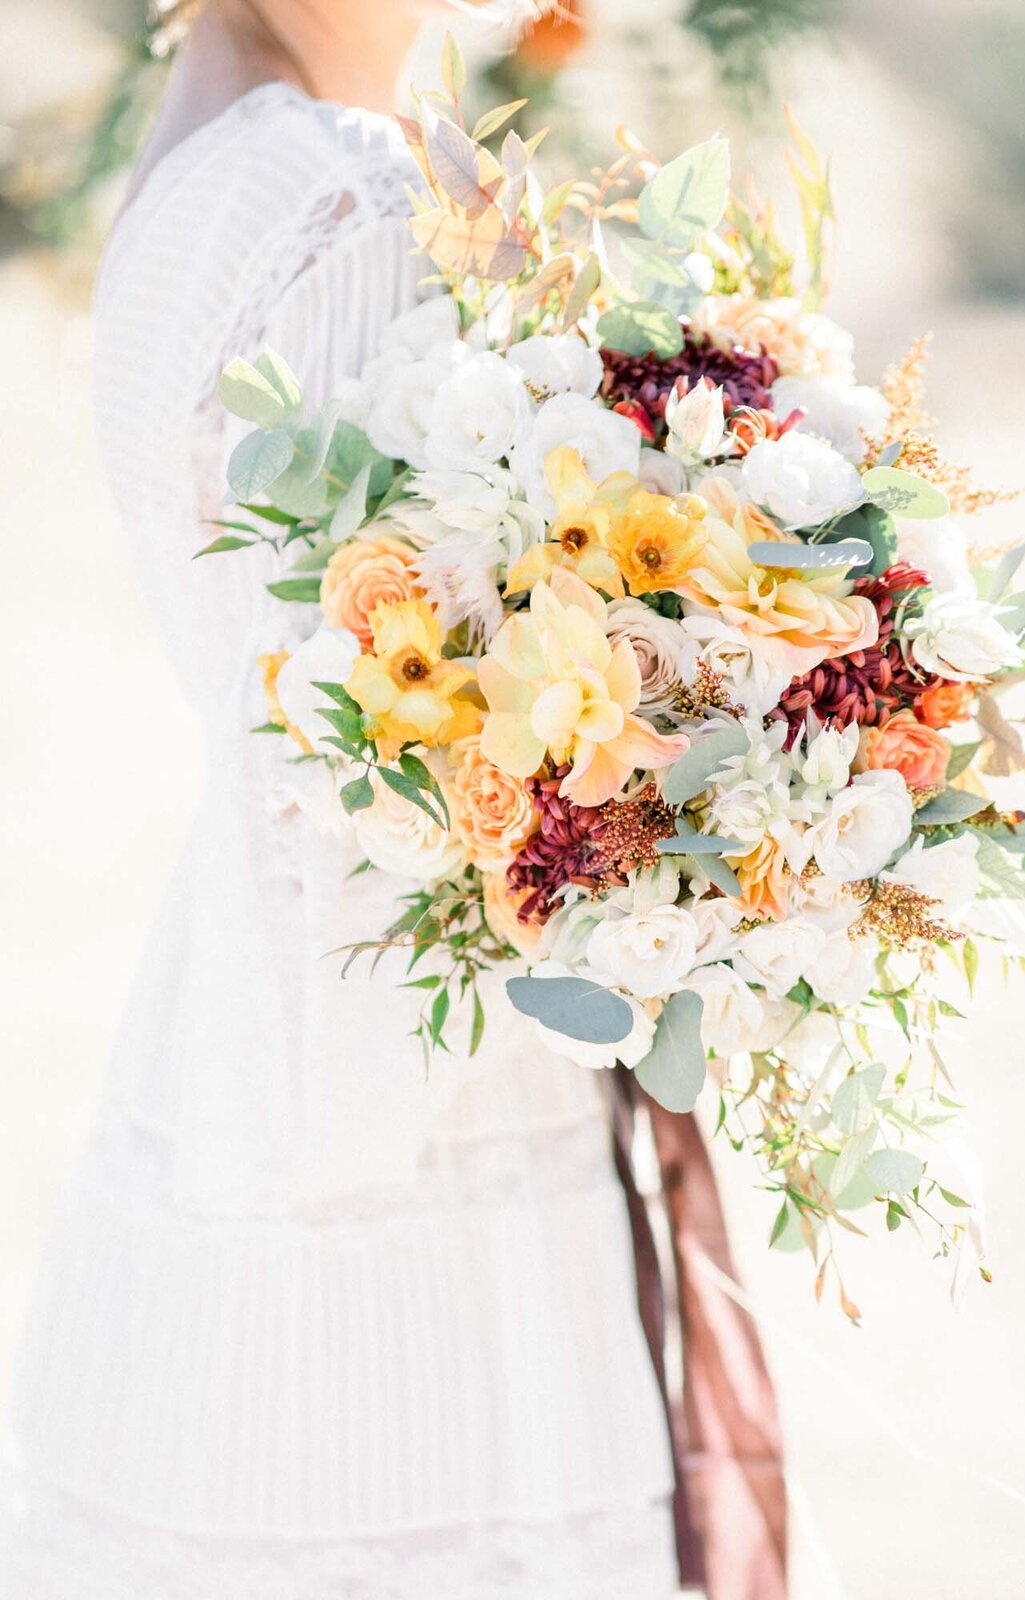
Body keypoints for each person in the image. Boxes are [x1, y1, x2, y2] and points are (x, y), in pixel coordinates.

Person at [0, 4, 683, 1594]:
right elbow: (392, 689)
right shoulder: (350, 191)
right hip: (400, 1002)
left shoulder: (196, 158)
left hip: (243, 969)